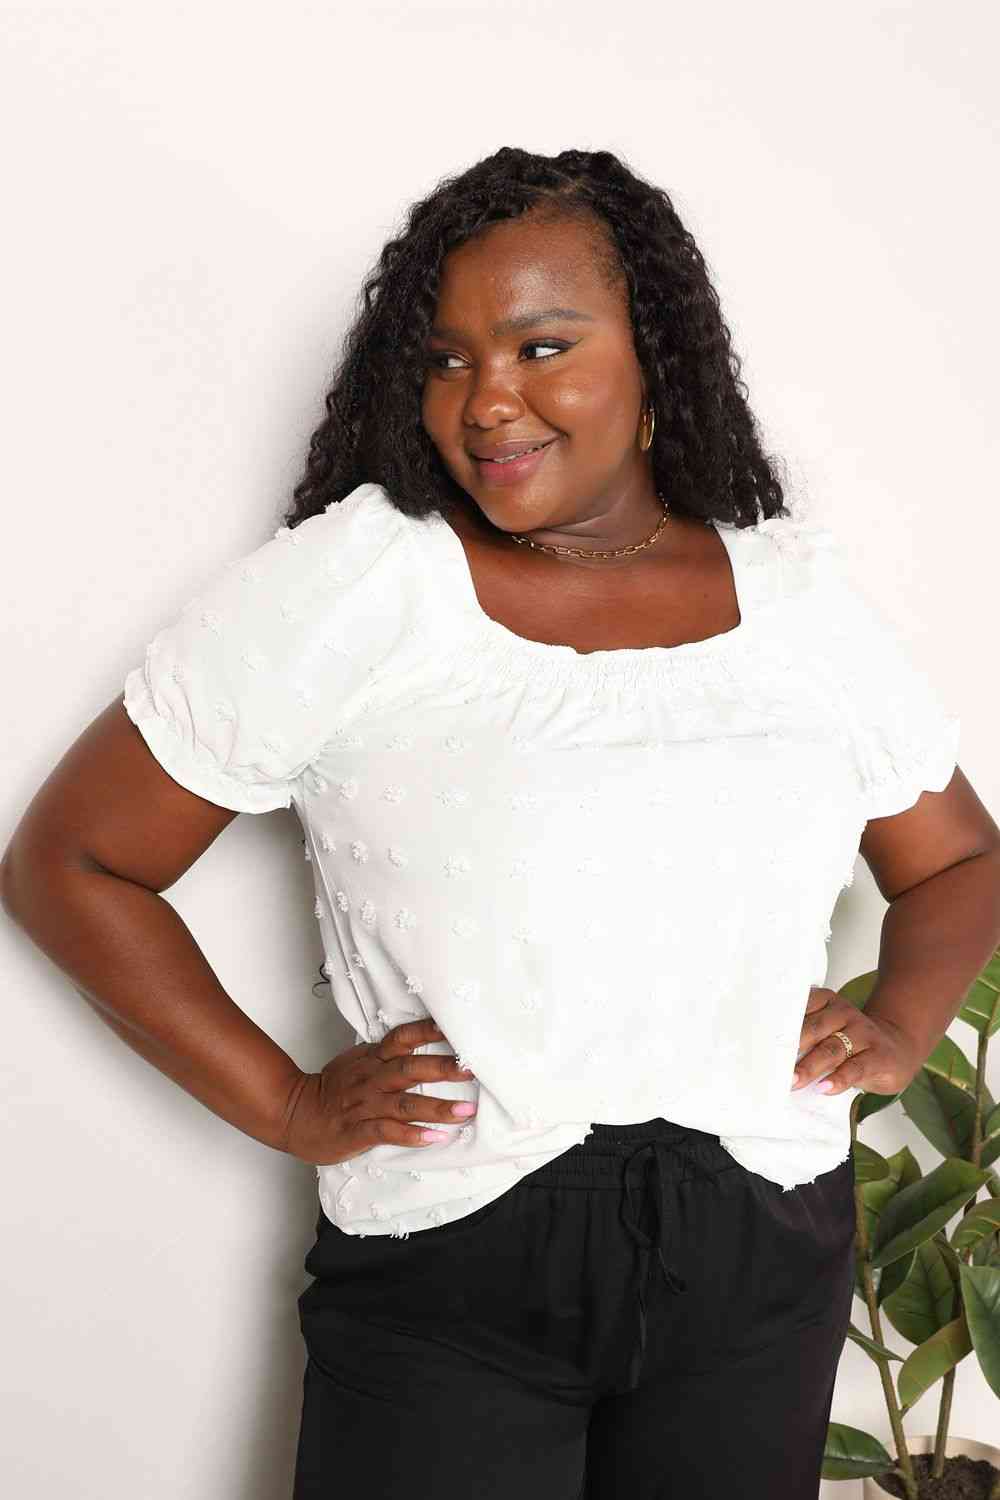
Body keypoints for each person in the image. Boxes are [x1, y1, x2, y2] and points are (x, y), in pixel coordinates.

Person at [3, 146, 998, 1500]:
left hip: (762, 1256)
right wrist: (288, 1104)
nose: (485, 402)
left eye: (541, 347)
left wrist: (900, 1029)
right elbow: (73, 862)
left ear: (654, 356)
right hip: (454, 1267)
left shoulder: (795, 603)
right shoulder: (360, 585)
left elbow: (959, 859)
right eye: (446, 359)